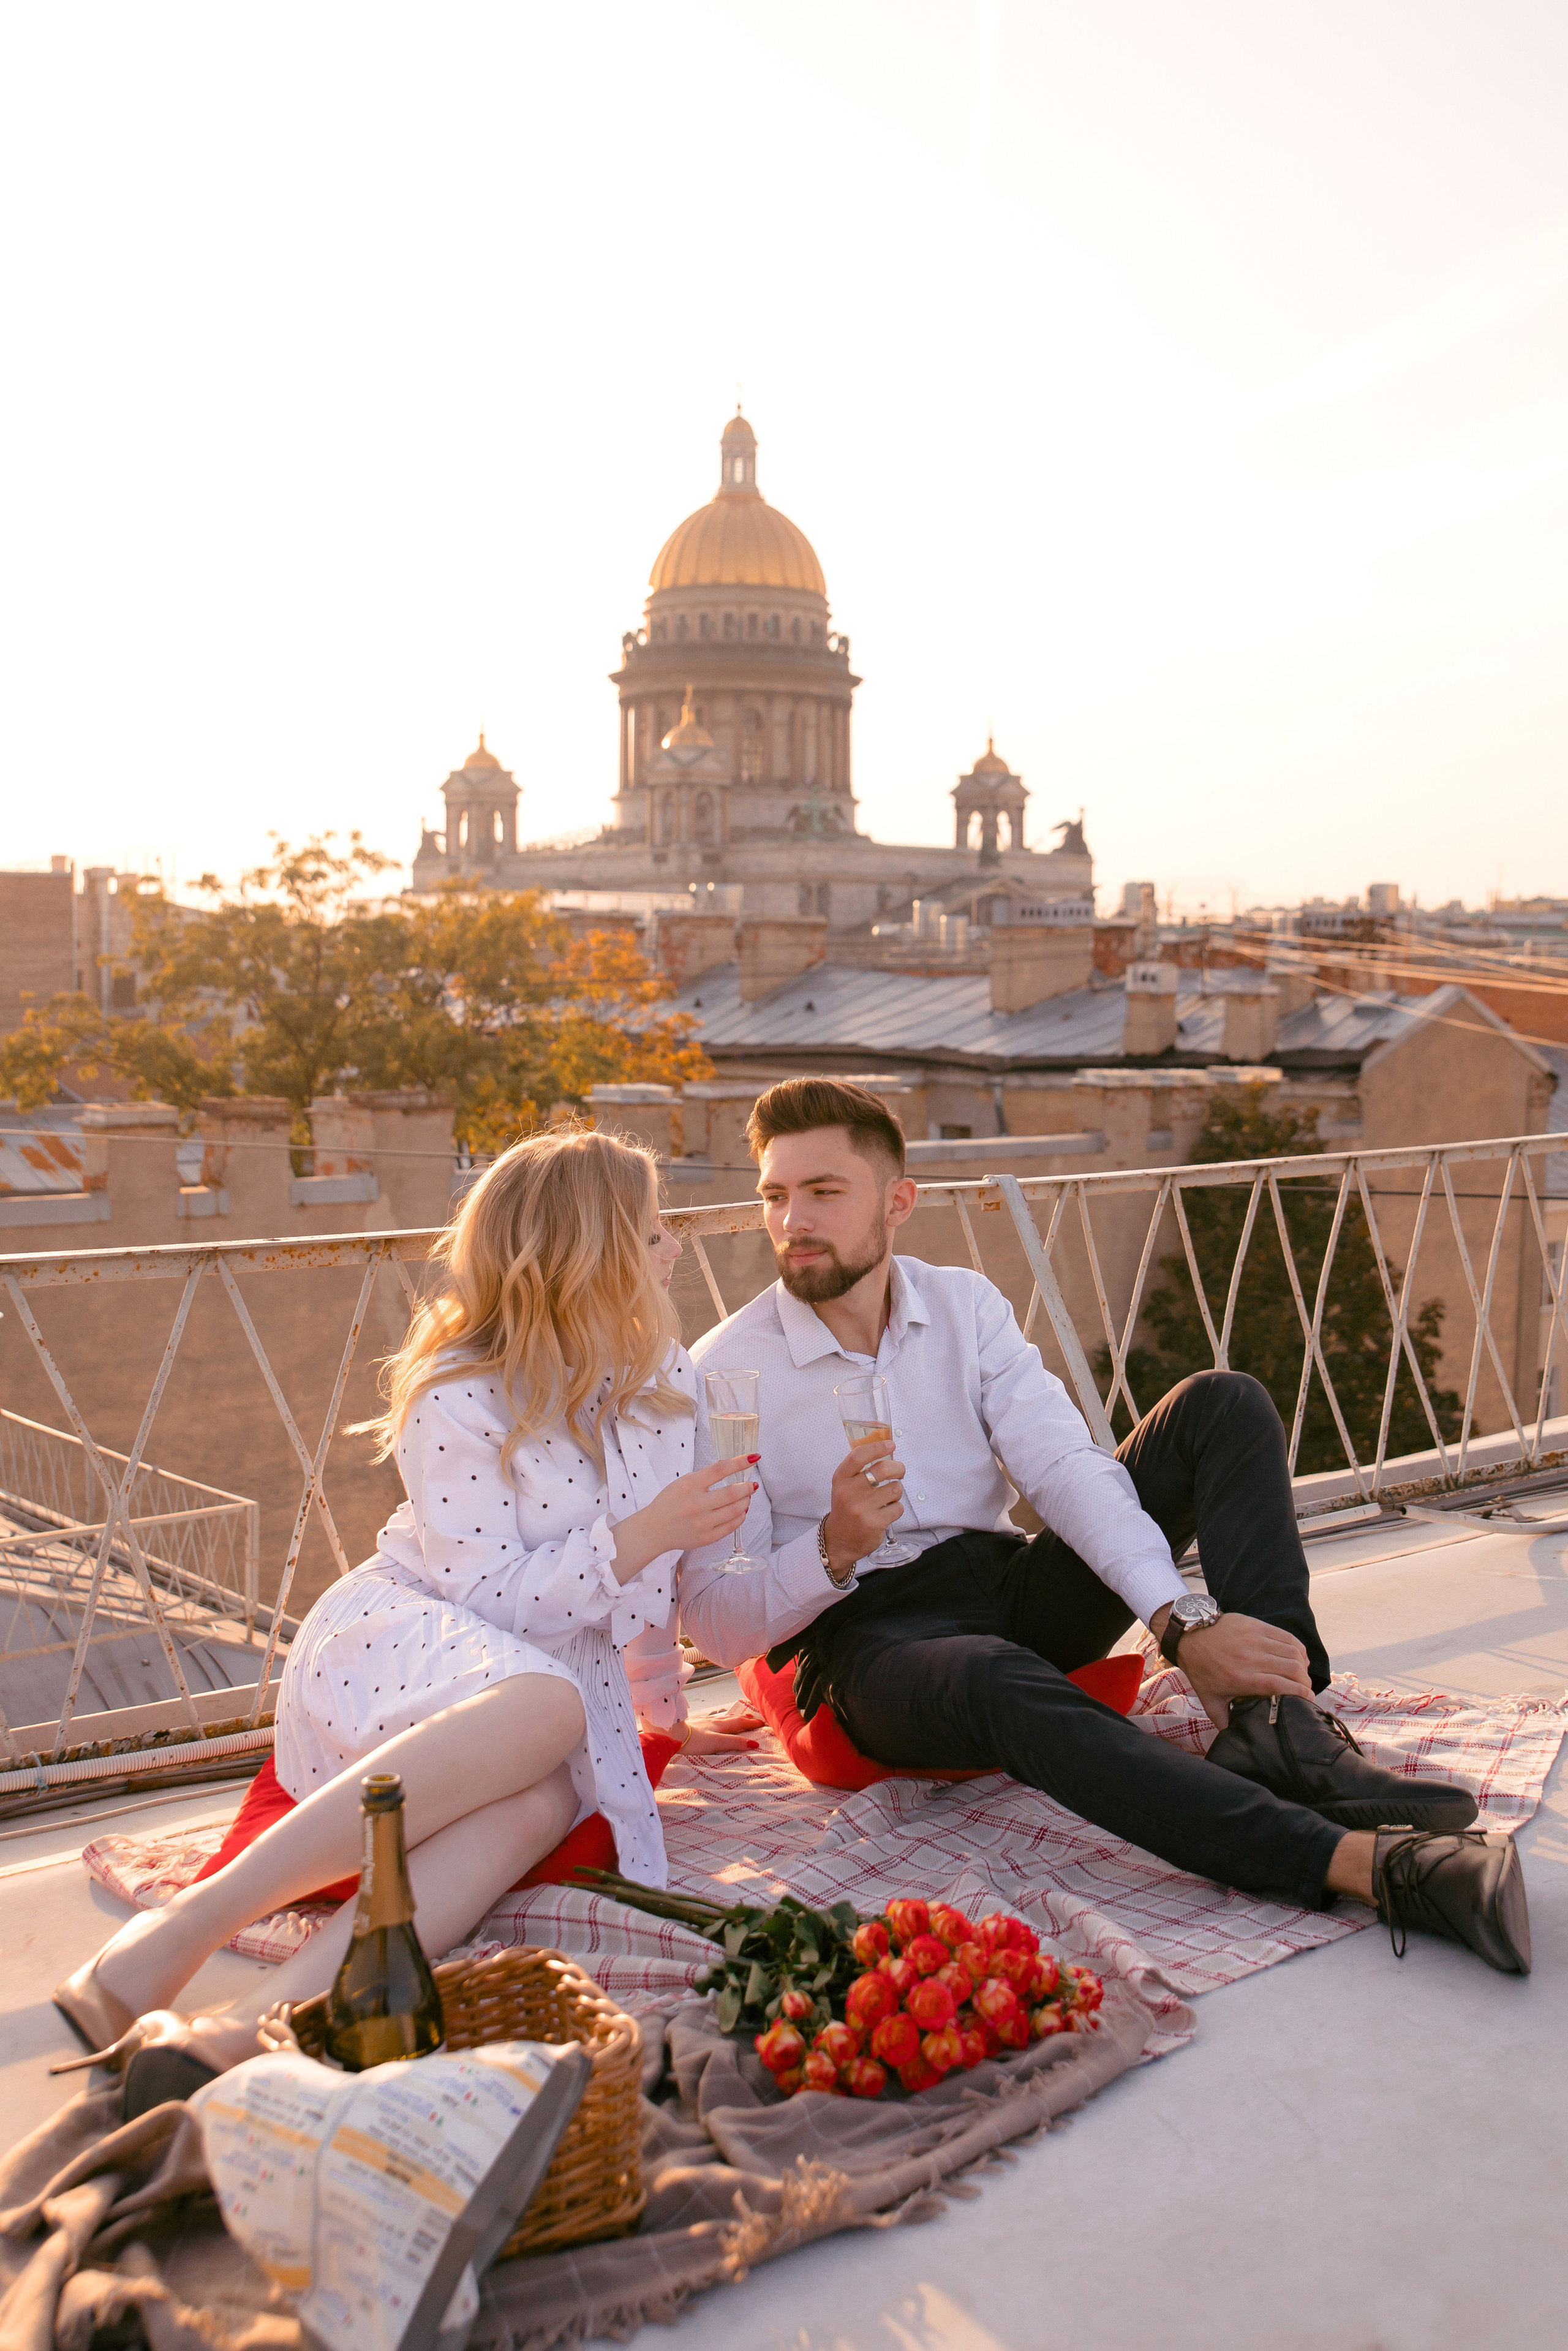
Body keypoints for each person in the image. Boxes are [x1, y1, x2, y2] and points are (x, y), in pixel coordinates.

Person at [679, 1077, 1530, 1976]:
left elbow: (1062, 1466)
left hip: (1001, 1582)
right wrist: (830, 1550)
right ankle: (1363, 1866)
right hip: (868, 1638)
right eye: (775, 1194)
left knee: (1221, 1404)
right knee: (992, 1675)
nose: (790, 1220)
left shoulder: (963, 1307)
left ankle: (1281, 1725)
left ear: (897, 1203)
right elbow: (715, 1616)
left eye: (822, 1191)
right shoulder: (728, 1372)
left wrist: (1177, 1620)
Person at [51, 1126, 758, 2089]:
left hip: (544, 1687)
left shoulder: (664, 1377)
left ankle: (258, 2024)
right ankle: (179, 1929)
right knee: (549, 1710)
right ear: (586, 1258)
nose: (675, 1248)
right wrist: (643, 1534)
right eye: (651, 1231)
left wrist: (664, 1716)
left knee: (548, 1799)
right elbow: (488, 1596)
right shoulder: (459, 1392)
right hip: (407, 1642)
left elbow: (641, 1613)